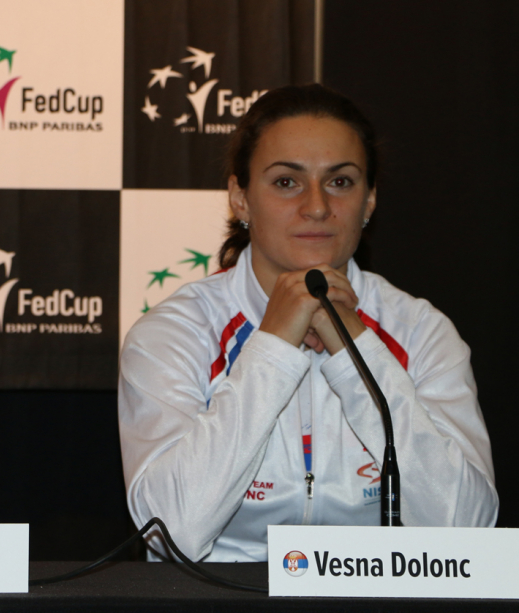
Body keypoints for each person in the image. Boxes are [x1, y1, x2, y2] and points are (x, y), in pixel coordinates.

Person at [119, 84, 497, 563]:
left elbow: (467, 530)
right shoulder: (173, 334)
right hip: (219, 594)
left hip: (372, 592)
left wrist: (355, 347)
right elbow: (171, 533)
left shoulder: (420, 331)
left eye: (340, 181)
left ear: (370, 201)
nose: (317, 206)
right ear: (240, 198)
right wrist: (273, 347)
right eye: (286, 182)